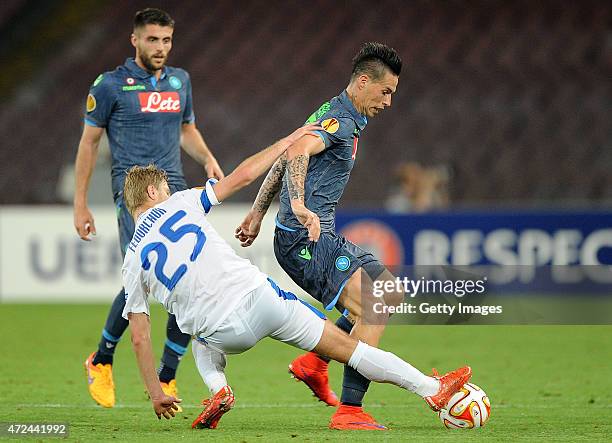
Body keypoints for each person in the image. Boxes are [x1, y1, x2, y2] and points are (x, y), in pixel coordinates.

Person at [119, 127, 472, 428]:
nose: (168, 191)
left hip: (222, 334)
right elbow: (240, 177)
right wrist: (285, 143)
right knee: (352, 350)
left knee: (199, 339)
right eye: (164, 188)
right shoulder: (181, 202)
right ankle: (430, 388)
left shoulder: (131, 260)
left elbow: (139, 336)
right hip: (260, 301)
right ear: (153, 192)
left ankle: (219, 389)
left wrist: (157, 393)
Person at [235, 42, 408, 430]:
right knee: (374, 303)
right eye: (385, 92)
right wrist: (297, 205)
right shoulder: (341, 121)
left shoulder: (334, 113)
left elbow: (286, 156)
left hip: (310, 232)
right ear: (363, 82)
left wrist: (257, 212)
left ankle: (315, 362)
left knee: (387, 290)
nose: (388, 102)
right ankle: (350, 410)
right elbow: (296, 152)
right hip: (304, 239)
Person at [74, 8, 224, 409]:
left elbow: (186, 128)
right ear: (135, 40)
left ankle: (167, 376)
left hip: (173, 189)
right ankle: (102, 360)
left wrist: (207, 158)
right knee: (139, 280)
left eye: (167, 40)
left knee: (186, 279)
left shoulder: (180, 81)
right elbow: (89, 143)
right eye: (153, 39)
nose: (160, 47)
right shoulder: (109, 85)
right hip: (134, 194)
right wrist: (80, 202)